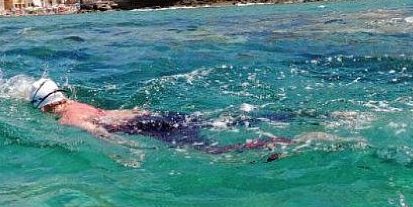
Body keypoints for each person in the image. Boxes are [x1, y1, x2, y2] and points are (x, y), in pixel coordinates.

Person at [28, 78, 305, 157]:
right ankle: (296, 116)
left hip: (147, 127)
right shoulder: (75, 103)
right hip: (156, 115)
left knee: (211, 151)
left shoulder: (68, 119)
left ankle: (281, 143)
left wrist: (125, 150)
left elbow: (99, 133)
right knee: (224, 120)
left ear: (44, 108)